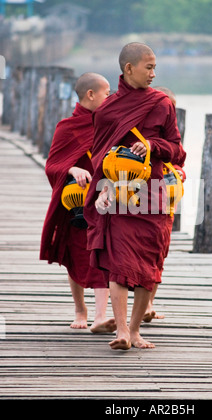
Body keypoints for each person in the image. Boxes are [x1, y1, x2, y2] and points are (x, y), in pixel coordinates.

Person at [84, 43, 186, 350]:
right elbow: (99, 155)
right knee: (119, 263)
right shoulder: (107, 110)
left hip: (153, 195)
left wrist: (154, 146)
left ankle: (137, 329)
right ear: (129, 69)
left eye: (155, 67)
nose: (154, 74)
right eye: (148, 67)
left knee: (148, 266)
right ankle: (122, 332)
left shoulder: (161, 104)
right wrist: (100, 189)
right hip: (120, 193)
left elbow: (178, 150)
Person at [40, 72, 116, 334]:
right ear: (90, 95)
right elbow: (53, 165)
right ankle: (80, 308)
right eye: (107, 93)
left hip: (105, 199)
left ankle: (101, 316)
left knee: (104, 254)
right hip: (75, 200)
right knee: (76, 253)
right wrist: (72, 169)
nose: (110, 97)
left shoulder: (110, 124)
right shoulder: (67, 127)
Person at [143, 86, 186, 323]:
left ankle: (149, 303)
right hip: (137, 197)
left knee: (159, 253)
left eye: (173, 108)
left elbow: (178, 158)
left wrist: (178, 172)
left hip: (165, 201)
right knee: (140, 253)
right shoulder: (140, 131)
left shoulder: (170, 134)